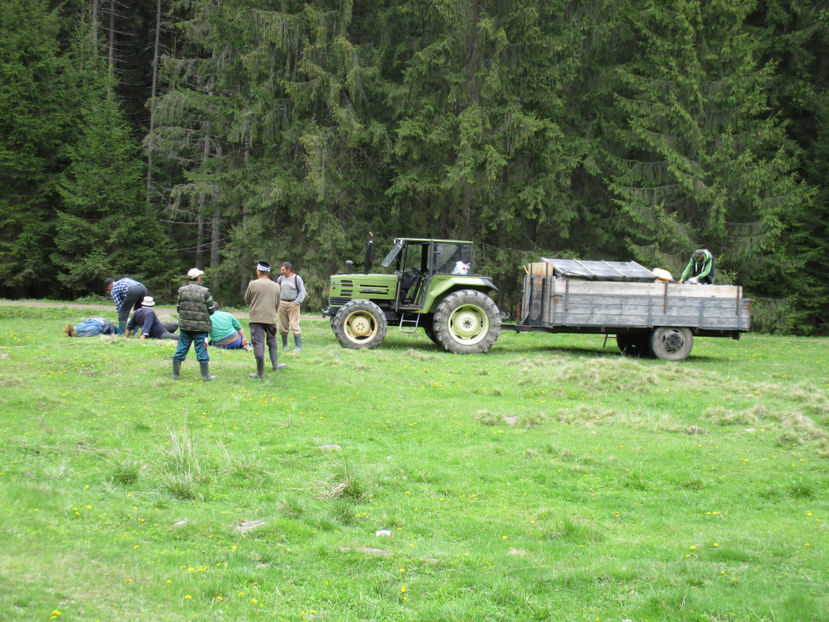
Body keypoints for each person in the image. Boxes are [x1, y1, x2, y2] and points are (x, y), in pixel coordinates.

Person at [172, 268, 216, 381]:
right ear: (198, 278)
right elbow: (211, 309)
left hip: (185, 326)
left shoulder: (181, 290)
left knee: (181, 348)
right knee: (202, 349)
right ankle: (206, 376)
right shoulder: (205, 291)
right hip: (201, 328)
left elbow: (178, 308)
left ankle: (175, 374)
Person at [245, 260, 287, 378]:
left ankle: (260, 373)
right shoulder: (276, 286)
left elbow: (246, 299)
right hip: (270, 318)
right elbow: (278, 303)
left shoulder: (252, 284)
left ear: (258, 272)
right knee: (272, 340)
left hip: (256, 318)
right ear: (268, 272)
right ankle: (276, 365)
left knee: (258, 343)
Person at [277, 261, 307, 351]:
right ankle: (285, 346)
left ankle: (298, 346)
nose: (281, 271)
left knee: (294, 324)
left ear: (288, 269)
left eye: (283, 270)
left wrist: (296, 302)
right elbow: (277, 290)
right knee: (282, 326)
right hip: (282, 304)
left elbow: (303, 291)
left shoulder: (297, 278)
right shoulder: (280, 279)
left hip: (293, 304)